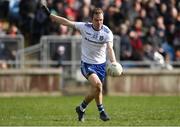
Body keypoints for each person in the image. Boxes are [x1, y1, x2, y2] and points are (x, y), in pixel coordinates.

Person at [41, 4, 117, 122]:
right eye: (96, 20)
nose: (99, 22)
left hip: (101, 65)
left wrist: (114, 62)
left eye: (101, 20)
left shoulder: (107, 32)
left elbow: (110, 49)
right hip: (87, 64)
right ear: (92, 19)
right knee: (98, 85)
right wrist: (51, 15)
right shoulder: (84, 27)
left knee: (97, 89)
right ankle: (101, 112)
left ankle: (81, 108)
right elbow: (66, 22)